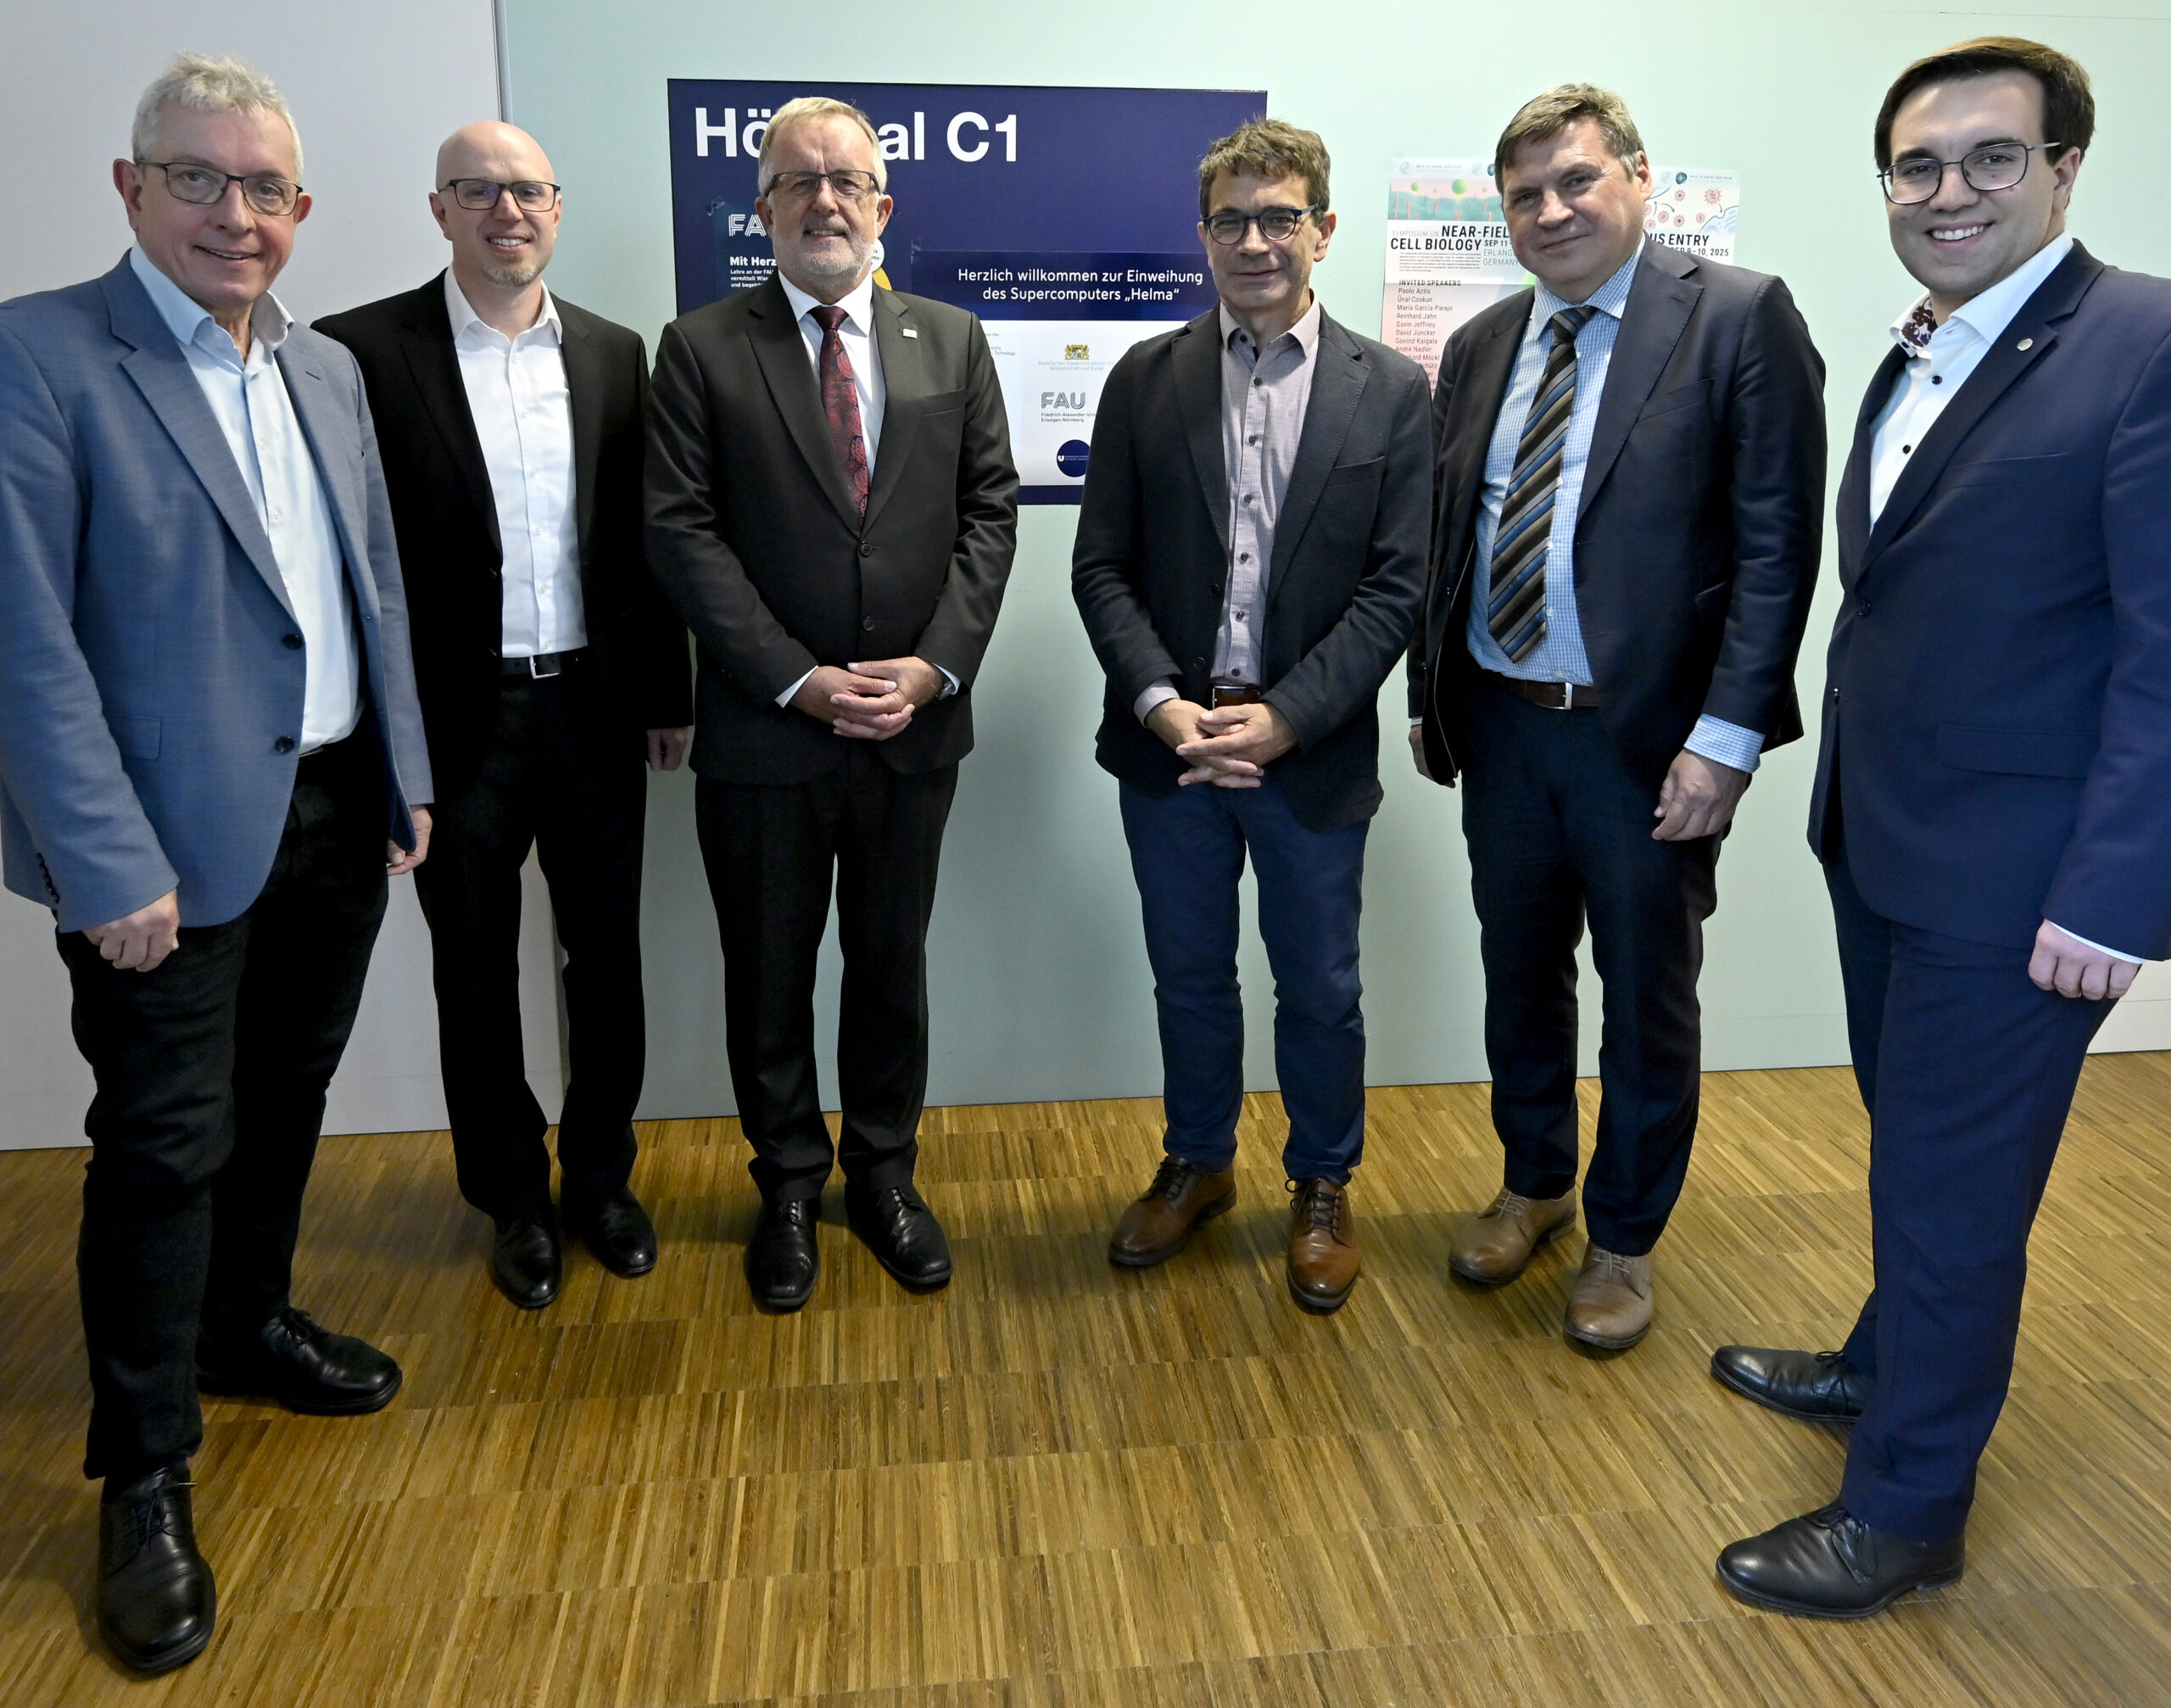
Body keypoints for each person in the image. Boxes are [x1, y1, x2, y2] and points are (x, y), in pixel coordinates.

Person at [1714, 37, 2171, 1619]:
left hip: (2022, 882)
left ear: (2064, 169)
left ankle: (1907, 1510)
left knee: (1959, 1197)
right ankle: (1881, 1360)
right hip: (1890, 838)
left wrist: (2118, 895)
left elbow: (2167, 650)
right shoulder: (1933, 342)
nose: (1948, 190)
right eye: (1918, 164)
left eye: (1992, 157)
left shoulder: (2145, 342)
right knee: (1912, 1146)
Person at [0, 55, 433, 1672]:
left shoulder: (325, 369)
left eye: (264, 189)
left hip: (331, 808)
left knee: (285, 1096)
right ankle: (144, 1475)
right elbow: (24, 646)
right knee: (163, 1146)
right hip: (159, 848)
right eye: (198, 179)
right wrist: (103, 862)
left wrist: (403, 771)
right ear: (131, 187)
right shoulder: (41, 355)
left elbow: (370, 578)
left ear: (301, 210)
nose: (234, 215)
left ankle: (244, 1324)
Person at [1409, 86, 1825, 1349]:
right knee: (1519, 974)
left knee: (1645, 997)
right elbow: (1452, 539)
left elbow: (1776, 552)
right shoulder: (1482, 344)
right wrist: (1434, 704)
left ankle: (1625, 1238)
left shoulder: (1738, 316)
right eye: (1524, 195)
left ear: (1641, 178)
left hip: (1648, 742)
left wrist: (1726, 740)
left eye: (1576, 180)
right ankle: (1534, 1182)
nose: (1551, 210)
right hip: (1504, 724)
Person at [645, 96, 1017, 1311]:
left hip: (913, 730)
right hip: (766, 732)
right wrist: (796, 678)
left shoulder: (950, 339)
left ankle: (885, 1175)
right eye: (798, 182)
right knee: (768, 974)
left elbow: (990, 514)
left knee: (890, 962)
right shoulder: (701, 346)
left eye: (846, 180)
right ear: (760, 210)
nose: (824, 201)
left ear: (882, 204)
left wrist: (934, 665)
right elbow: (681, 531)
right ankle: (790, 1185)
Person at [317, 123, 691, 1311]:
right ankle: (514, 1200)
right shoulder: (360, 352)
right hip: (453, 726)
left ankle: (602, 1181)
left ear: (557, 208)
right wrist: (383, 742)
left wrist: (667, 692)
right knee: (472, 974)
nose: (506, 212)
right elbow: (348, 559)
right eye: (477, 191)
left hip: (594, 710)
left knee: (608, 961)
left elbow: (642, 540)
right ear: (440, 210)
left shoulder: (614, 352)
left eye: (527, 191)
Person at [1073, 119, 1432, 1314]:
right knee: (1189, 974)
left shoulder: (1393, 392)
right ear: (1204, 236)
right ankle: (1199, 1162)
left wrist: (1287, 717)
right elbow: (1102, 567)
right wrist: (1162, 703)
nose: (1256, 241)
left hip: (1308, 755)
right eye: (1232, 220)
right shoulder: (1145, 379)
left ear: (1323, 230)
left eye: (1280, 217)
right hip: (1171, 749)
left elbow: (1397, 587)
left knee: (1320, 986)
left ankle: (1322, 1184)